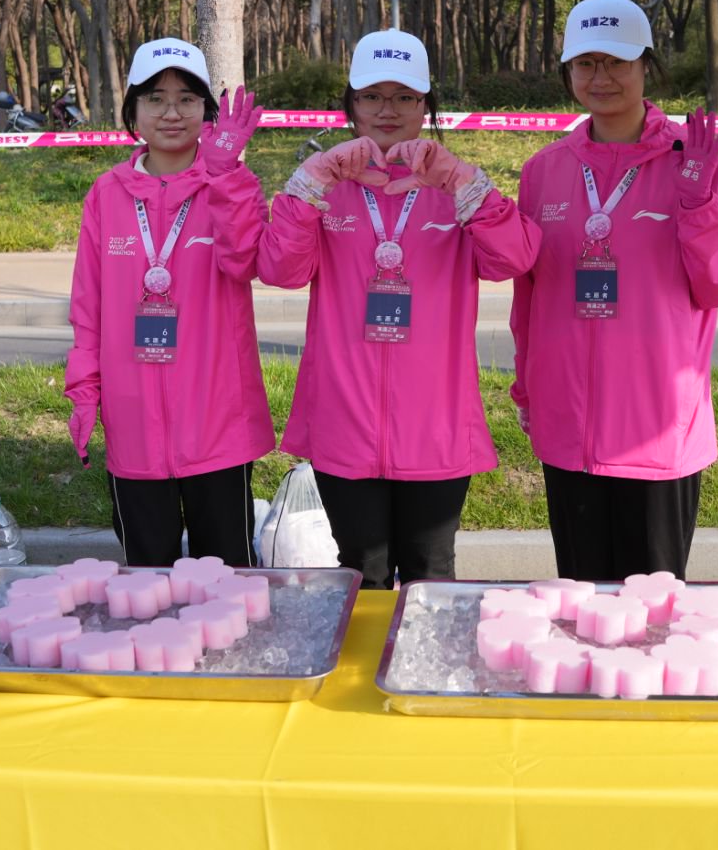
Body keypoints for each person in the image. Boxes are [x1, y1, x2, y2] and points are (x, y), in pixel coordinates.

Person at [260, 30, 540, 589]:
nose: (387, 110)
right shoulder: (325, 188)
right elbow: (281, 271)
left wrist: (464, 183)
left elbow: (513, 258)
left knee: (429, 577)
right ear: (351, 103)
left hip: (437, 427)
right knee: (360, 576)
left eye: (404, 97)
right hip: (343, 423)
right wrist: (310, 183)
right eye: (372, 96)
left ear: (425, 105)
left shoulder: (455, 188)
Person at [510, 0, 718, 581]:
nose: (601, 78)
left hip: (657, 430)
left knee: (652, 613)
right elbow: (529, 297)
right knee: (582, 604)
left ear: (646, 64)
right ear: (568, 71)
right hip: (568, 427)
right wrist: (527, 390)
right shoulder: (545, 170)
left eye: (617, 61)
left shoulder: (695, 162)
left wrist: (698, 203)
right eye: (586, 63)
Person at [64, 38, 275, 567]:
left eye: (187, 98)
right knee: (146, 576)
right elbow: (88, 307)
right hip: (133, 422)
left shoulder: (230, 184)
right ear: (132, 111)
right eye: (155, 98)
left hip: (218, 423)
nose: (171, 113)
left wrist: (226, 176)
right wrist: (85, 391)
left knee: (226, 577)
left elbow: (245, 261)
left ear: (207, 110)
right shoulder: (106, 194)